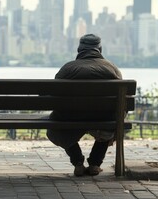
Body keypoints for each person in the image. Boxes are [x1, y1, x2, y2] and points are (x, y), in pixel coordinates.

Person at [46, 33, 122, 177]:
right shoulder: (112, 69)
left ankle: (78, 163)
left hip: (70, 118)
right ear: (100, 49)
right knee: (114, 118)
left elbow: (53, 96)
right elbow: (123, 100)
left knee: (54, 124)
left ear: (79, 49)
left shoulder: (67, 69)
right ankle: (94, 163)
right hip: (103, 120)